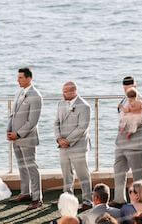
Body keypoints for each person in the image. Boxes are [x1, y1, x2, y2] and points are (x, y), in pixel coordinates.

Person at [7, 67, 43, 209]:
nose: (18, 80)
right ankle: (25, 192)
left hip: (26, 137)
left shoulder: (35, 95)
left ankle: (37, 198)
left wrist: (19, 133)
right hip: (15, 136)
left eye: (21, 78)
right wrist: (9, 130)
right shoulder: (20, 92)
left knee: (31, 166)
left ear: (29, 78)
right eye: (18, 77)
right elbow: (13, 114)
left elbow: (32, 121)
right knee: (21, 166)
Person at [112, 76, 142, 206]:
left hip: (136, 144)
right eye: (125, 88)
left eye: (129, 87)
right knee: (118, 172)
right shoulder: (125, 98)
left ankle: (140, 202)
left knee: (138, 175)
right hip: (120, 143)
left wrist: (134, 123)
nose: (126, 90)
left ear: (136, 85)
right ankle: (119, 200)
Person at [54, 81, 93, 211]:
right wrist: (59, 138)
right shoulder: (60, 103)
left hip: (78, 146)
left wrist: (68, 141)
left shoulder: (84, 106)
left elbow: (82, 127)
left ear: (73, 91)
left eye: (65, 91)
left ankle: (87, 200)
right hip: (62, 145)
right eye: (63, 91)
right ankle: (67, 199)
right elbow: (56, 123)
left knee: (83, 174)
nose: (63, 94)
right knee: (66, 174)